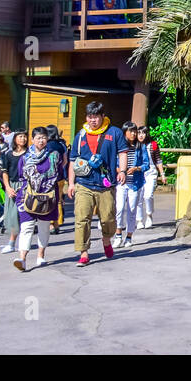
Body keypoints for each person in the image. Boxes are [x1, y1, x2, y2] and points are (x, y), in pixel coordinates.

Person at [67, 101, 124, 266]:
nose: (93, 121)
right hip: (84, 183)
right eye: (90, 117)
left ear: (102, 117)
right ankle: (83, 252)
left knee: (108, 218)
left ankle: (106, 239)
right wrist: (71, 183)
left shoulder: (114, 133)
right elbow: (72, 161)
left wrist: (122, 171)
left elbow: (122, 153)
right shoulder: (80, 136)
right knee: (82, 218)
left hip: (105, 184)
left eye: (96, 117)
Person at [12, 127, 62, 272]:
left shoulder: (54, 155)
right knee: (26, 227)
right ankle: (22, 258)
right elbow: (21, 175)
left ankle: (41, 255)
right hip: (28, 195)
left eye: (44, 137)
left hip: (48, 196)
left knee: (44, 227)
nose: (41, 140)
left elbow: (58, 172)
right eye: (38, 138)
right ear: (32, 140)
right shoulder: (25, 157)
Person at [113, 123, 147, 248]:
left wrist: (136, 168)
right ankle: (117, 235)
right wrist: (119, 170)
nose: (133, 134)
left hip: (135, 183)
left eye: (135, 132)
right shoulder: (119, 147)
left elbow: (146, 164)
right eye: (130, 131)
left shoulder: (141, 147)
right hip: (121, 183)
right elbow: (114, 163)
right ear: (124, 133)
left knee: (132, 211)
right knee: (119, 208)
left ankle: (129, 237)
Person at [0, 131, 29, 254]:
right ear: (15, 139)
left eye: (25, 136)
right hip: (12, 185)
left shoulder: (29, 154)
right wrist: (8, 187)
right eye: (20, 136)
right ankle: (14, 242)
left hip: (25, 185)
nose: (23, 139)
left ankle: (12, 243)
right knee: (10, 214)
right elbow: (4, 172)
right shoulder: (8, 154)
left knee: (19, 215)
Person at [135, 125, 164, 228]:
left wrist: (162, 174)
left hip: (150, 173)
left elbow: (158, 160)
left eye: (143, 133)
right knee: (138, 197)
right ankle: (139, 220)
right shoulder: (135, 145)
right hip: (138, 173)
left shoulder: (153, 145)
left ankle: (149, 215)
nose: (141, 135)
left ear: (147, 134)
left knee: (148, 195)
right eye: (139, 133)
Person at [46, 126, 69, 233]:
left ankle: (51, 223)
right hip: (60, 177)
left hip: (48, 178)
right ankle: (58, 222)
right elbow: (65, 161)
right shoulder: (61, 145)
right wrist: (60, 169)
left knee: (50, 200)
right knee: (58, 200)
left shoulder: (46, 145)